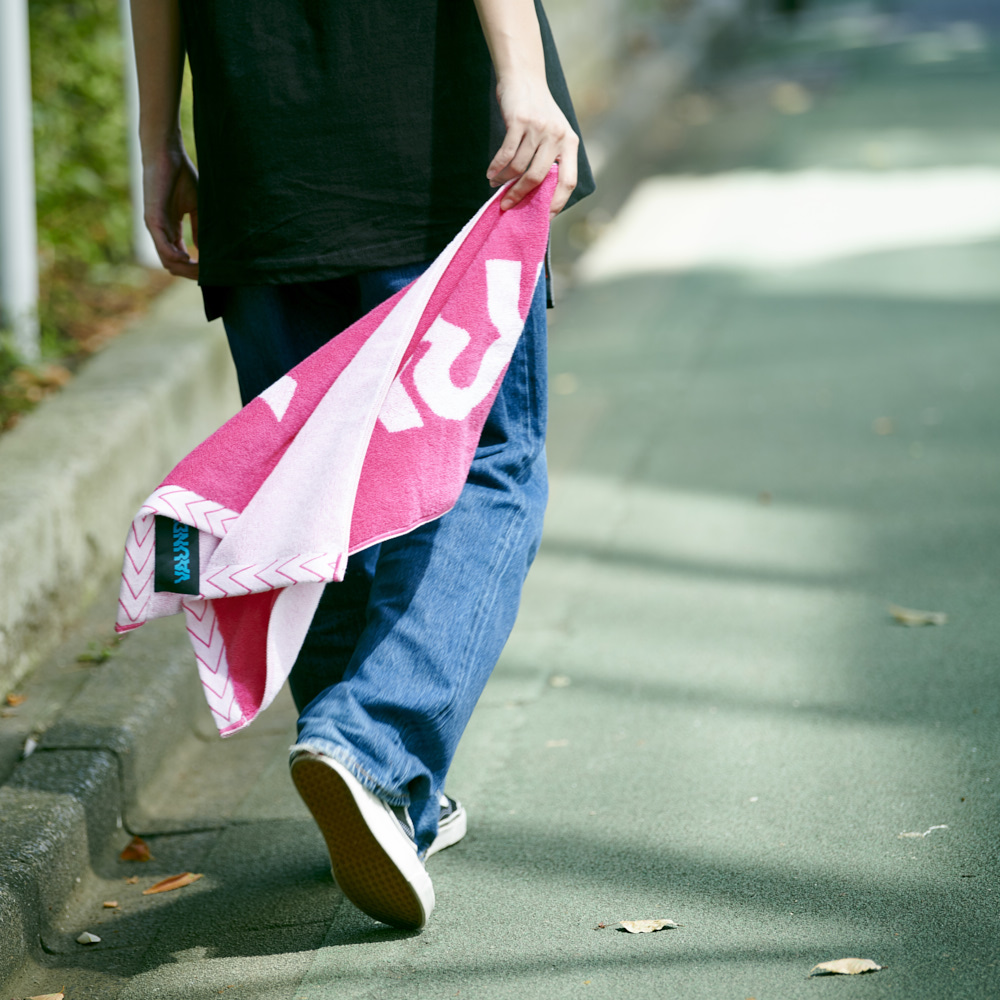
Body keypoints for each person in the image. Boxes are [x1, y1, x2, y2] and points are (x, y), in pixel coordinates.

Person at [129, 0, 594, 931]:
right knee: (486, 465)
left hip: (261, 159)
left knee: (307, 487)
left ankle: (370, 774)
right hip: (437, 153)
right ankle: (371, 751)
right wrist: (523, 75)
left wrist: (157, 141)